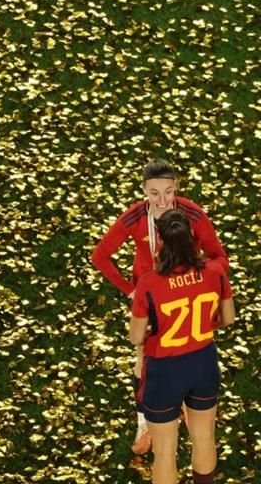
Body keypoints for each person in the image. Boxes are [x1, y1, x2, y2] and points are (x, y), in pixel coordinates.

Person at [91, 159, 229, 454]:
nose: (163, 201)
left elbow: (219, 257)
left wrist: (200, 276)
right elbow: (100, 256)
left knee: (191, 348)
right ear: (144, 191)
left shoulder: (191, 214)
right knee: (144, 356)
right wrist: (131, 290)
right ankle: (145, 422)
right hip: (151, 300)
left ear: (176, 187)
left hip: (185, 295)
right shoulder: (134, 218)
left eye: (168, 191)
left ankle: (193, 408)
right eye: (154, 193)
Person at [129, 209, 234, 484]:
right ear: (191, 238)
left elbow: (135, 335)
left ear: (161, 243)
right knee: (204, 437)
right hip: (203, 361)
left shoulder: (149, 283)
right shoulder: (215, 271)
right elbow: (228, 318)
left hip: (166, 369)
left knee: (165, 452)